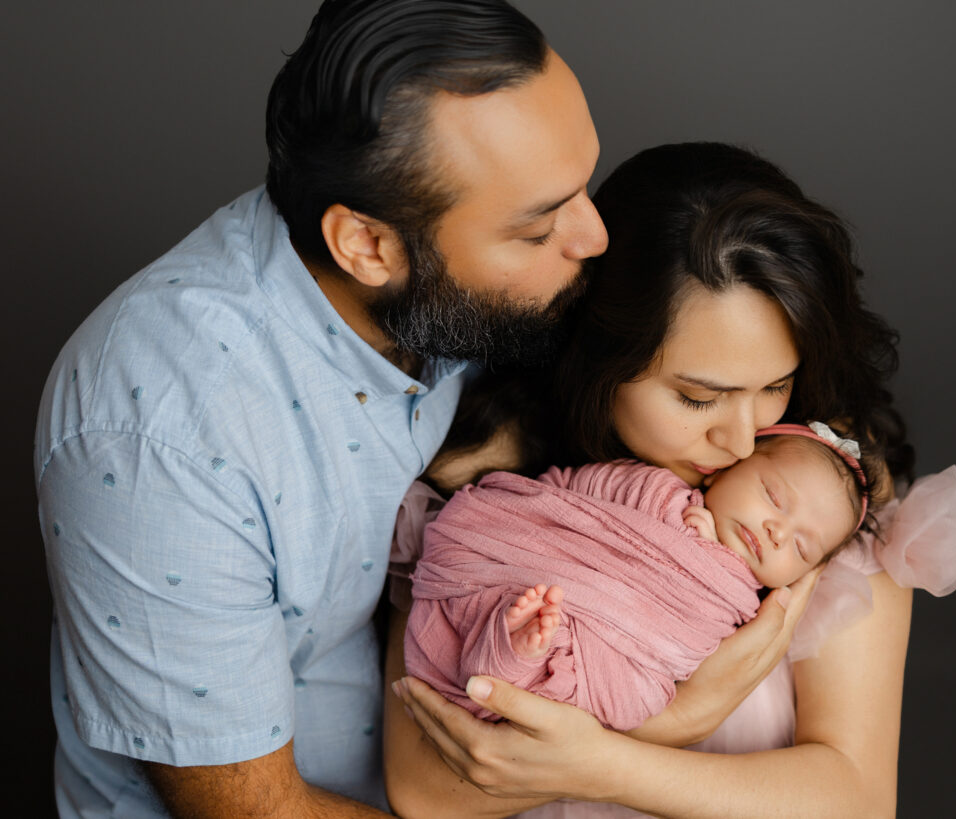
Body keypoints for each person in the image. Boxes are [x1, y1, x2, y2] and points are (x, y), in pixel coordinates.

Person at [33, 1, 609, 816]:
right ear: (367, 246)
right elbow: (255, 811)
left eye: (582, 183)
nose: (595, 236)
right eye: (538, 226)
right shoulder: (158, 440)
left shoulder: (447, 288)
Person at [386, 142, 956, 818]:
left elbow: (856, 798)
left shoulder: (819, 501)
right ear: (599, 356)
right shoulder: (495, 491)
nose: (738, 438)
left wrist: (611, 761)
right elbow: (423, 791)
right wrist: (678, 718)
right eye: (699, 399)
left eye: (775, 386)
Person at [399, 424, 875, 733]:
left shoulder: (743, 612)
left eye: (800, 547)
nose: (777, 531)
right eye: (773, 496)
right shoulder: (652, 488)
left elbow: (685, 660)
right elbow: (568, 489)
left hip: (617, 656)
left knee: (634, 698)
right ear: (722, 471)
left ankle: (512, 655)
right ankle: (511, 648)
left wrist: (705, 556)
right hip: (521, 571)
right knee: (530, 607)